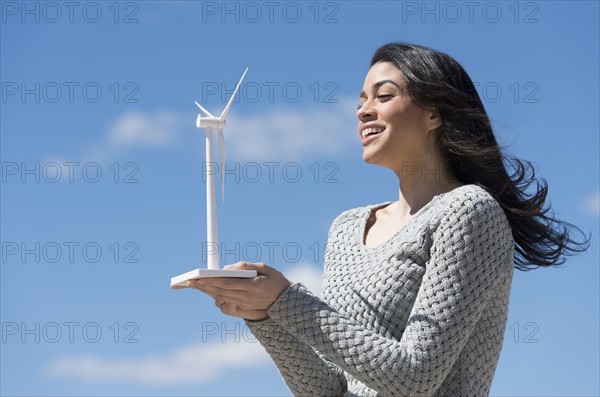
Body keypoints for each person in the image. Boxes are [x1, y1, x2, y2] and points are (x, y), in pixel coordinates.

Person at [173, 43, 589, 396]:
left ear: (434, 114)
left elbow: (415, 377)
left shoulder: (468, 211)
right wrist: (262, 315)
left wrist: (286, 300)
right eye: (360, 101)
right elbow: (329, 388)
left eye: (383, 96)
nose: (362, 112)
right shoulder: (346, 227)